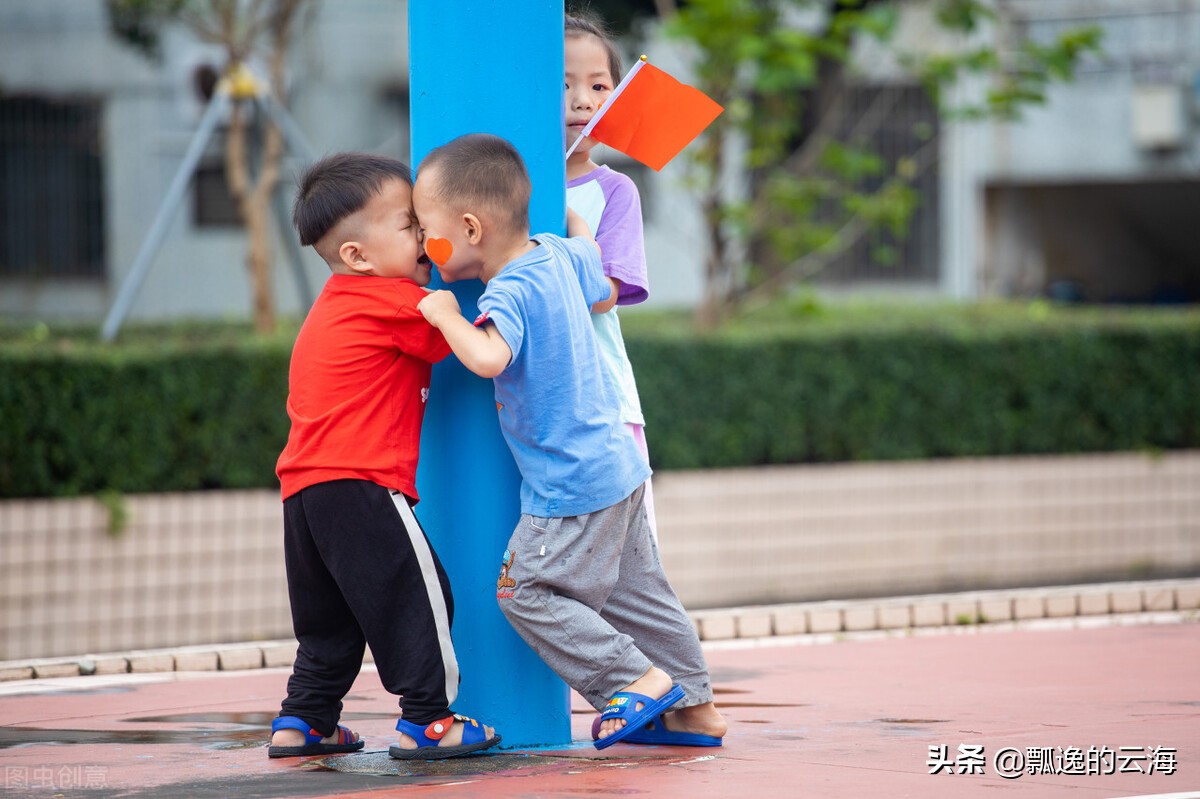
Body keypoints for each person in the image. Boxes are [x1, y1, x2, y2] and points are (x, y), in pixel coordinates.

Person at [413, 133, 726, 749]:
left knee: (525, 591)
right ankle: (696, 708)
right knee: (640, 596)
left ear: (471, 228)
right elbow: (590, 249)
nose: (424, 245)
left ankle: (633, 680)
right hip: (619, 464)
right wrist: (571, 217)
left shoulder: (509, 289)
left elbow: (488, 356)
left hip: (570, 482)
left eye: (427, 230)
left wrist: (446, 314)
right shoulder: (558, 254)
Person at [268, 152, 500, 761]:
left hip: (304, 494)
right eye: (410, 224)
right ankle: (428, 720)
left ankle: (304, 720)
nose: (426, 235)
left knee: (330, 621)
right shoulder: (393, 299)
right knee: (420, 597)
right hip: (360, 484)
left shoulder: (337, 301)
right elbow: (464, 342)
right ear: (358, 256)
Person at [564, 12, 658, 536]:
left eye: (599, 86)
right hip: (530, 403)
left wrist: (575, 230)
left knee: (618, 550)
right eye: (562, 85)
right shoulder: (505, 187)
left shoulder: (614, 190)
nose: (583, 101)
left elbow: (605, 295)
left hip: (601, 403)